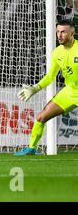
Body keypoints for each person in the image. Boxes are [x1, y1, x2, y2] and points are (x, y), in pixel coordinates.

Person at [16, 19, 78, 155]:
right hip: (69, 92)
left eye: (63, 32)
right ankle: (32, 148)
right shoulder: (57, 52)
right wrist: (35, 88)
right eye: (58, 32)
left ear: (72, 33)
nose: (60, 35)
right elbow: (50, 76)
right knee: (41, 117)